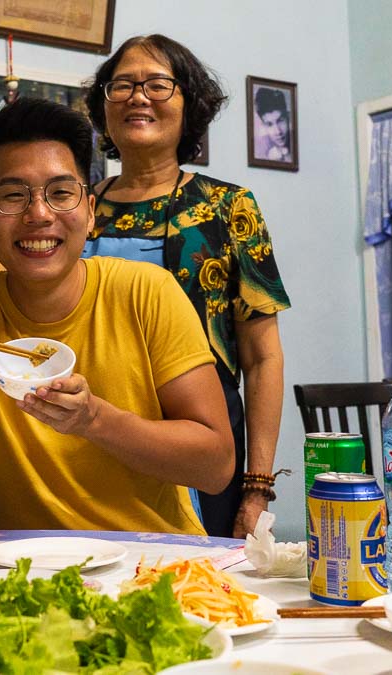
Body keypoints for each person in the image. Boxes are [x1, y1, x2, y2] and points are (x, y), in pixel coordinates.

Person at [0, 97, 235, 535]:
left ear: (89, 211)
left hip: (156, 566)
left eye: (60, 193)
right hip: (23, 577)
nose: (39, 214)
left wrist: (93, 420)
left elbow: (216, 466)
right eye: (13, 196)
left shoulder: (147, 292)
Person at [83, 34, 291, 538]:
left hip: (199, 443)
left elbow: (262, 357)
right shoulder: (76, 208)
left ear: (188, 104)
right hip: (88, 439)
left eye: (158, 84)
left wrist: (257, 485)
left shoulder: (229, 207)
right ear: (103, 107)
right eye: (122, 85)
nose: (138, 97)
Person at [254, 87, 292, 162]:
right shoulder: (261, 149)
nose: (278, 131)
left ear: (288, 117)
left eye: (280, 121)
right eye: (269, 124)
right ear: (263, 125)